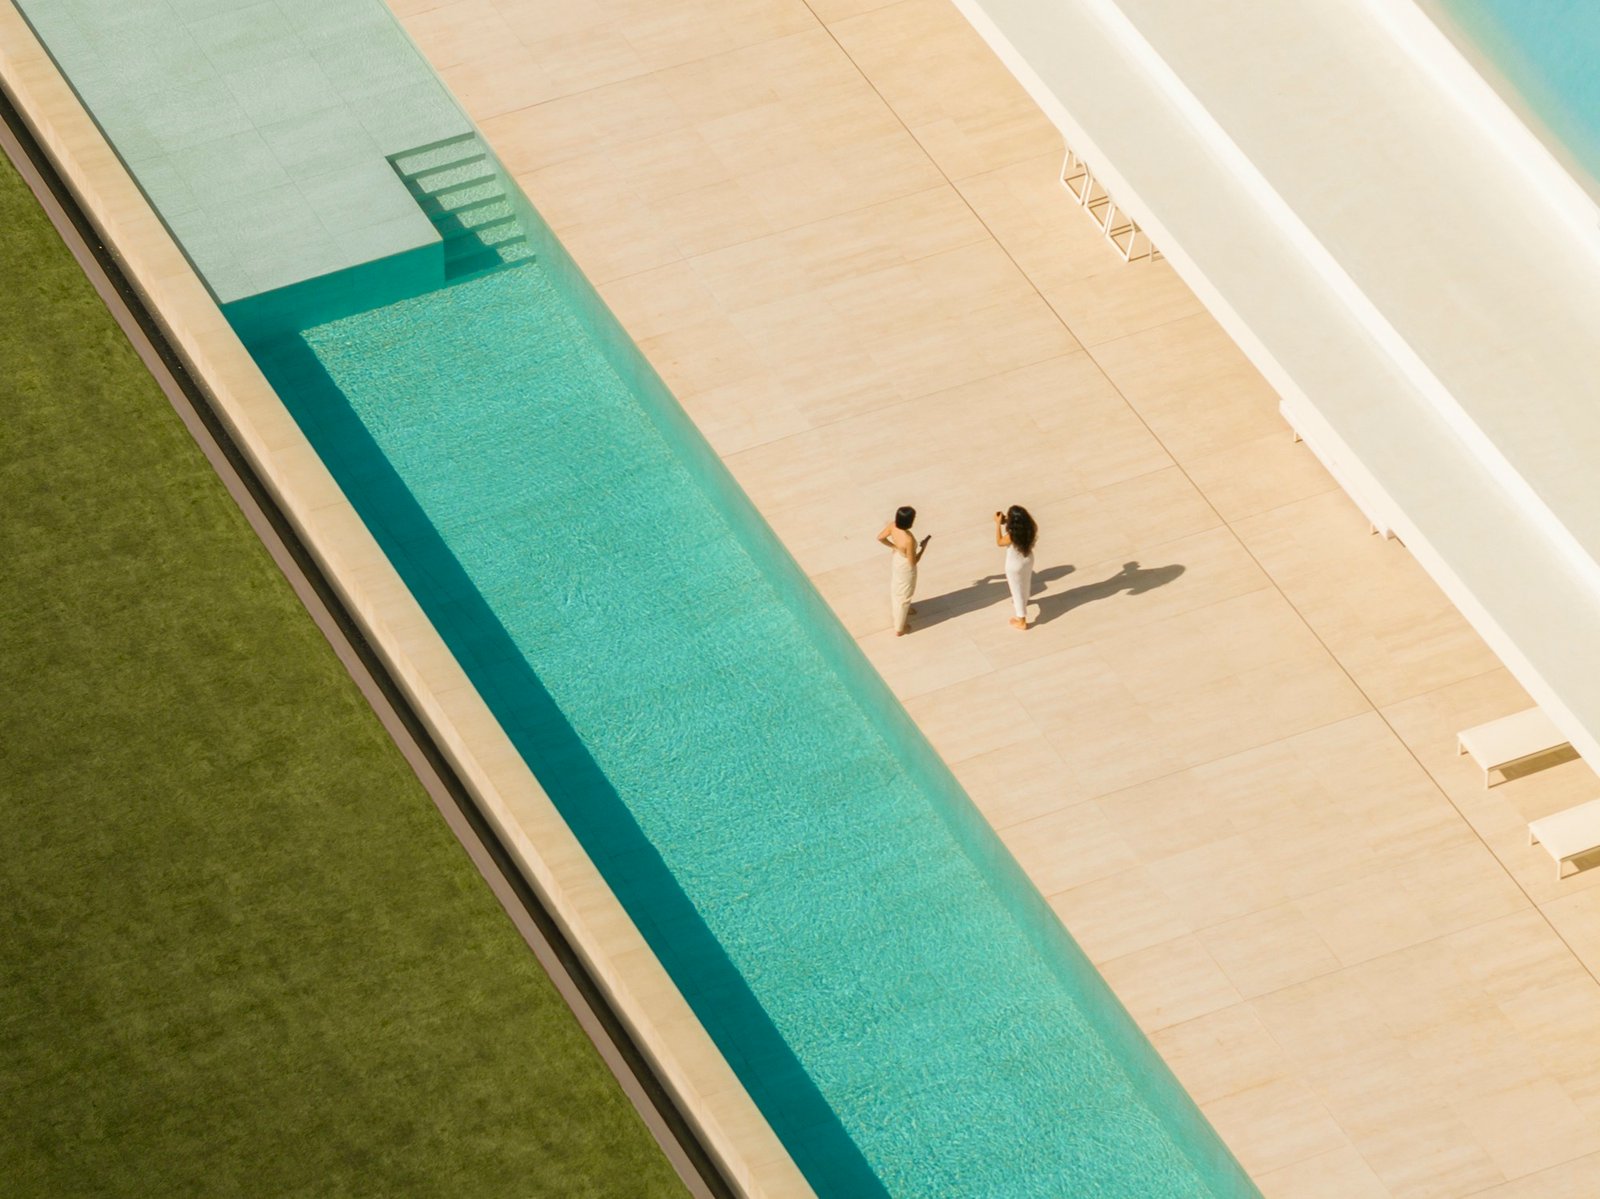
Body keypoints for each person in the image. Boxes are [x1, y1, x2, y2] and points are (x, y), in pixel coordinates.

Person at [877, 506, 931, 636]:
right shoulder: (909, 540)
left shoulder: (893, 526)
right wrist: (923, 548)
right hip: (906, 567)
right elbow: (913, 562)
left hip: (897, 560)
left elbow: (880, 537)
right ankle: (900, 628)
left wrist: (894, 546)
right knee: (904, 595)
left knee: (898, 587)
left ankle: (904, 611)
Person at [995, 505, 1037, 629]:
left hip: (1014, 565)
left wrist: (998, 524)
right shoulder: (1030, 528)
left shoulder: (1012, 535)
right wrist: (1006, 522)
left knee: (1016, 591)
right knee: (1025, 582)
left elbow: (999, 542)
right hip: (1028, 559)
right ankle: (1026, 599)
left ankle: (1022, 620)